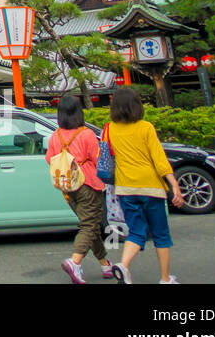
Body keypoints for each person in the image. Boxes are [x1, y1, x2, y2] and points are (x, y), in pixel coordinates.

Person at [106, 87, 184, 284]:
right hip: (151, 187)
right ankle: (166, 279)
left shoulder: (110, 129)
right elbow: (159, 159)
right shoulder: (146, 127)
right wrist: (174, 184)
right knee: (160, 234)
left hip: (125, 189)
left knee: (136, 231)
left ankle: (123, 265)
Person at [46, 95, 113, 283]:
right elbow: (97, 159)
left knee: (89, 225)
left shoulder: (55, 135)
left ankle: (105, 264)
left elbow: (49, 159)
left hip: (67, 187)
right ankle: (75, 262)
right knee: (89, 225)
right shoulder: (86, 134)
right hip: (88, 184)